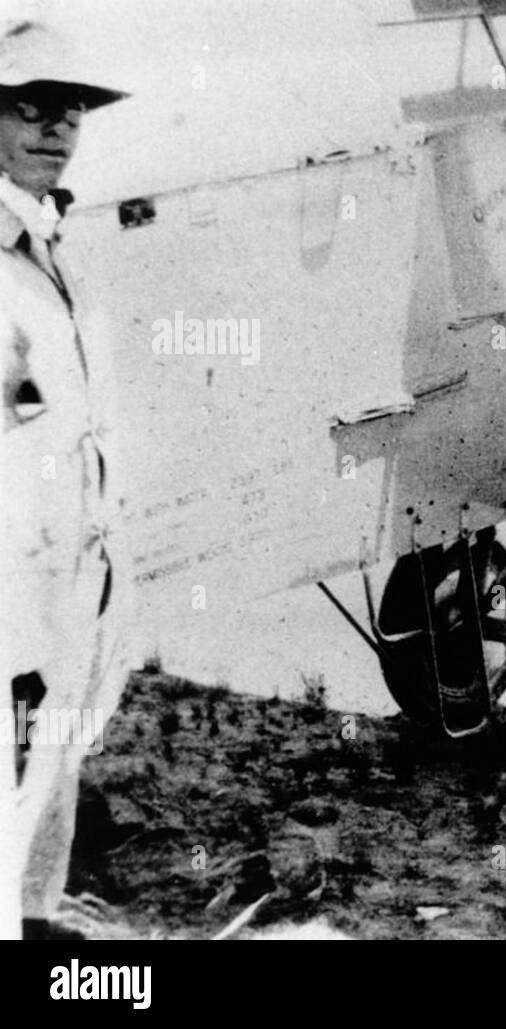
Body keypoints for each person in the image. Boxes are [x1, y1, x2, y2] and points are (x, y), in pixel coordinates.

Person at [0, 19, 131, 940]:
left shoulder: (52, 241)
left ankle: (37, 917)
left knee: (53, 751)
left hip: (71, 555)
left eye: (71, 111)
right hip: (12, 558)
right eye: (29, 109)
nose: (54, 128)